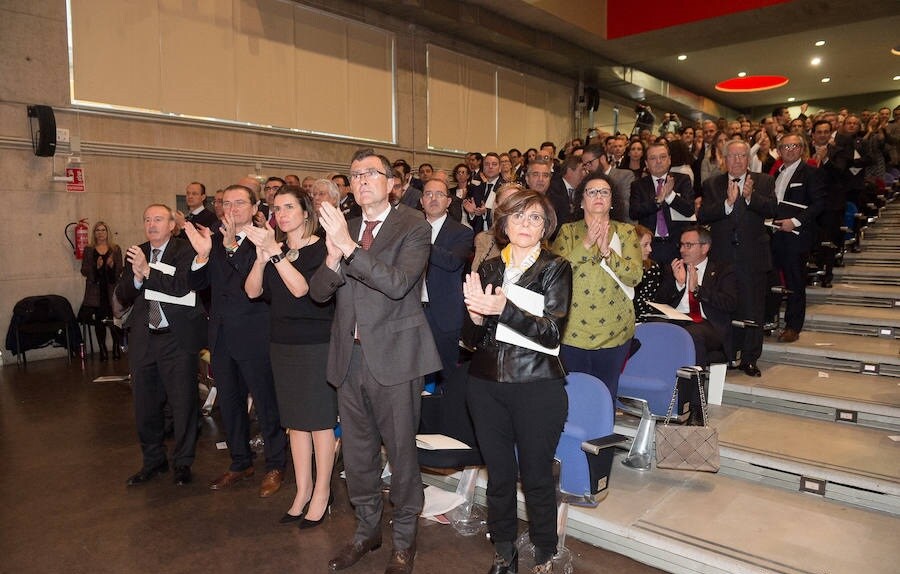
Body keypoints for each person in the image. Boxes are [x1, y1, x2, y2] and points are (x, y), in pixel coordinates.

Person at [309, 148, 442, 574]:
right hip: (349, 358)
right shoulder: (343, 227)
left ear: (391, 183)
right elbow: (318, 293)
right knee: (359, 455)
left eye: (371, 173)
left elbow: (400, 284)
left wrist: (349, 249)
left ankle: (404, 542)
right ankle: (367, 531)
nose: (362, 180)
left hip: (395, 358)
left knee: (402, 454)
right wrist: (332, 257)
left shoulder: (413, 226)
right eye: (355, 174)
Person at [462, 189, 572, 574]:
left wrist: (503, 308)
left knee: (537, 475)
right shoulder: (489, 267)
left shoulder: (555, 268)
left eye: (535, 218)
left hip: (537, 386)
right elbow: (470, 340)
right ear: (504, 223)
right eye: (518, 217)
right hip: (485, 385)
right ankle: (504, 550)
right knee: (499, 475)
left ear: (546, 227)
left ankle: (544, 552)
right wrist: (475, 318)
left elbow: (552, 333)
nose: (526, 224)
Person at [183, 184, 288, 497]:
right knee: (229, 404)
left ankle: (275, 464)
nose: (231, 208)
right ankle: (240, 461)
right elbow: (196, 282)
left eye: (239, 202)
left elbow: (252, 284)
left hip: (255, 333)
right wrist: (202, 256)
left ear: (255, 207)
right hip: (221, 334)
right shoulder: (211, 239)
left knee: (266, 403)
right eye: (225, 203)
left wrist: (229, 247)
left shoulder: (264, 240)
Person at [243, 187, 337, 527]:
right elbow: (253, 291)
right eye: (276, 208)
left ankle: (323, 492)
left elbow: (303, 290)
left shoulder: (321, 247)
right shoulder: (274, 250)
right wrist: (261, 255)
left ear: (305, 212)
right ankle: (303, 490)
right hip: (281, 344)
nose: (281, 214)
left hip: (315, 343)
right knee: (295, 424)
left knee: (320, 424)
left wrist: (276, 255)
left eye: (288, 207)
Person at [118, 204, 207, 486]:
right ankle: (153, 461)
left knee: (183, 404)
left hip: (176, 337)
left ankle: (183, 462)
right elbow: (122, 293)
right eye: (147, 219)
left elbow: (181, 286)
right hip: (144, 338)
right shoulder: (137, 251)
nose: (151, 224)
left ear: (172, 225)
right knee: (145, 404)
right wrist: (135, 276)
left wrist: (148, 271)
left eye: (158, 219)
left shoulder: (184, 250)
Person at [552, 172, 642, 400]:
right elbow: (556, 274)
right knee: (573, 393)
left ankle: (602, 436)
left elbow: (634, 276)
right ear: (581, 201)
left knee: (606, 393)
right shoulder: (568, 232)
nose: (598, 196)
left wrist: (606, 252)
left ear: (612, 201)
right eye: (591, 192)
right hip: (573, 329)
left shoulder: (626, 232)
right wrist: (586, 244)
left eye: (604, 192)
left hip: (614, 328)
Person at [698, 140, 776, 377]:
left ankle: (750, 358)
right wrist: (727, 204)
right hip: (723, 259)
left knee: (753, 310)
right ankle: (729, 355)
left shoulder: (763, 181)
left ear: (748, 158)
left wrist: (751, 199)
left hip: (753, 258)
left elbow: (772, 209)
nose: (738, 160)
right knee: (725, 310)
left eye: (742, 155)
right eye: (732, 156)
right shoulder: (712, 184)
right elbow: (703, 214)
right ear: (724, 159)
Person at [769, 134, 825, 343]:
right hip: (774, 234)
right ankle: (770, 319)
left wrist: (795, 221)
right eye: (785, 146)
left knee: (794, 281)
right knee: (772, 280)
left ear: (802, 149)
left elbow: (819, 204)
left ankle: (793, 326)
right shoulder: (776, 173)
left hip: (796, 236)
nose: (789, 149)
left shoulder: (811, 173)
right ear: (779, 150)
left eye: (794, 146)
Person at [420, 179, 474, 377]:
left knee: (447, 377)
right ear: (421, 200)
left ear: (449, 201)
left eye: (440, 194)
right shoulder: (408, 230)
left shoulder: (462, 232)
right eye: (428, 194)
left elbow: (453, 262)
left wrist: (420, 242)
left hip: (444, 316)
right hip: (412, 312)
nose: (433, 198)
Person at [629, 142, 695, 267]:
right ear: (647, 164)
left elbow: (689, 210)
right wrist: (657, 201)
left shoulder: (682, 180)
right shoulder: (638, 185)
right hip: (650, 247)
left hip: (677, 246)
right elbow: (634, 212)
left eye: (663, 157)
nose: (658, 161)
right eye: (653, 158)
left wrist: (670, 196)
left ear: (669, 160)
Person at [80, 221, 124, 361]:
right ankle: (103, 350)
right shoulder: (89, 249)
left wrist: (111, 266)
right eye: (97, 230)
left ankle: (116, 347)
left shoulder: (115, 249)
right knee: (100, 322)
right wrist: (96, 266)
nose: (100, 233)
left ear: (107, 232)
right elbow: (84, 270)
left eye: (103, 230)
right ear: (94, 234)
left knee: (114, 322)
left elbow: (119, 272)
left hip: (111, 291)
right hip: (96, 292)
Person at [472, 183, 525, 268]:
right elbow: (475, 271)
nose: (511, 207)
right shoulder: (483, 238)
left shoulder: (528, 240)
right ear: (496, 206)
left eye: (516, 202)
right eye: (506, 202)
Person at [632, 224, 661, 322]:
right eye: (645, 245)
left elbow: (652, 299)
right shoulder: (618, 267)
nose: (650, 249)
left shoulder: (652, 268)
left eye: (650, 244)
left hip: (646, 317)